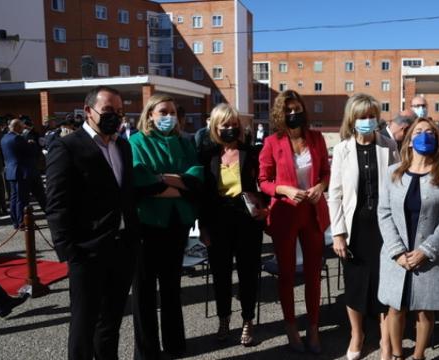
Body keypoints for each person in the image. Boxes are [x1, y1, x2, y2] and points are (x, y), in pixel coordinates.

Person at [45, 85, 139, 359]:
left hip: (122, 248)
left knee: (111, 322)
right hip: (88, 251)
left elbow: (125, 192)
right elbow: (57, 204)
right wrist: (69, 251)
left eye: (120, 112)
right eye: (109, 110)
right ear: (88, 111)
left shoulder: (122, 145)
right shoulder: (67, 147)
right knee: (84, 325)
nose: (116, 116)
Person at [378, 118, 439, 360]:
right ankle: (396, 354)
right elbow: (384, 213)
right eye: (419, 131)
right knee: (395, 308)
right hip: (398, 255)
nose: (425, 136)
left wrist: (426, 250)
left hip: (429, 256)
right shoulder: (393, 172)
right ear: (410, 139)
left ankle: (418, 355)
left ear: (437, 140)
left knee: (425, 311)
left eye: (430, 132)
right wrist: (397, 251)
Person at [129, 94, 203, 359]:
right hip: (148, 224)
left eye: (172, 112)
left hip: (176, 223)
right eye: (162, 112)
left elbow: (197, 176)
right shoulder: (136, 141)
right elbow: (142, 180)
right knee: (145, 290)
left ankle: (175, 343)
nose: (168, 116)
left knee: (172, 286)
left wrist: (164, 180)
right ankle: (146, 350)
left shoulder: (184, 143)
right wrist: (179, 185)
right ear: (150, 115)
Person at [328, 94, 400, 360]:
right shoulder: (342, 149)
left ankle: (385, 340)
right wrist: (338, 233)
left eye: (371, 115)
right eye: (362, 116)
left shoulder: (389, 145)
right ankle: (357, 335)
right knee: (355, 284)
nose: (367, 121)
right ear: (352, 119)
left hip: (384, 228)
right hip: (354, 227)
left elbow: (397, 185)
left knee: (384, 285)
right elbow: (334, 193)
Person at [258, 89, 330, 353]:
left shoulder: (316, 138)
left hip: (312, 212)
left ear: (303, 110)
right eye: (287, 110)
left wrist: (321, 187)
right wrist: (285, 190)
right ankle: (291, 327)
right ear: (280, 113)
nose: (292, 114)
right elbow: (263, 181)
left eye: (296, 109)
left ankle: (313, 328)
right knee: (287, 274)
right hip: (285, 214)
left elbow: (325, 172)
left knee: (313, 274)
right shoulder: (271, 142)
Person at [196, 103, 267, 346]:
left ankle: (248, 320)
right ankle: (224, 319)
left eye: (234, 124)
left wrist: (263, 206)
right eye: (225, 125)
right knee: (221, 275)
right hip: (217, 221)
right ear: (215, 127)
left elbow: (264, 183)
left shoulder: (252, 152)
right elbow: (202, 195)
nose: (230, 128)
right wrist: (203, 227)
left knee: (248, 273)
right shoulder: (208, 156)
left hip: (247, 220)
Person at [1, 119, 41, 229]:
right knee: (22, 199)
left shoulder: (4, 138)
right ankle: (22, 222)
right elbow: (30, 152)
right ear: (17, 127)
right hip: (20, 171)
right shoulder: (18, 138)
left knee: (14, 198)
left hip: (10, 171)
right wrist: (32, 144)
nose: (23, 128)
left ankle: (15, 221)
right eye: (22, 126)